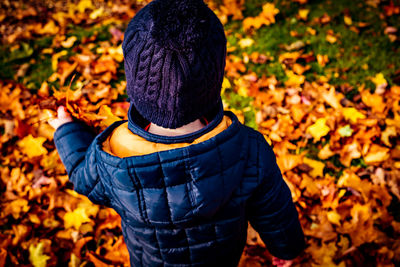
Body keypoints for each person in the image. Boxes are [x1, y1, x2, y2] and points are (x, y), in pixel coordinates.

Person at [49, 0, 306, 266]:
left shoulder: (113, 156)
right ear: (215, 74)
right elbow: (274, 209)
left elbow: (81, 173)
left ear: (136, 78)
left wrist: (67, 129)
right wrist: (286, 249)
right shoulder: (248, 149)